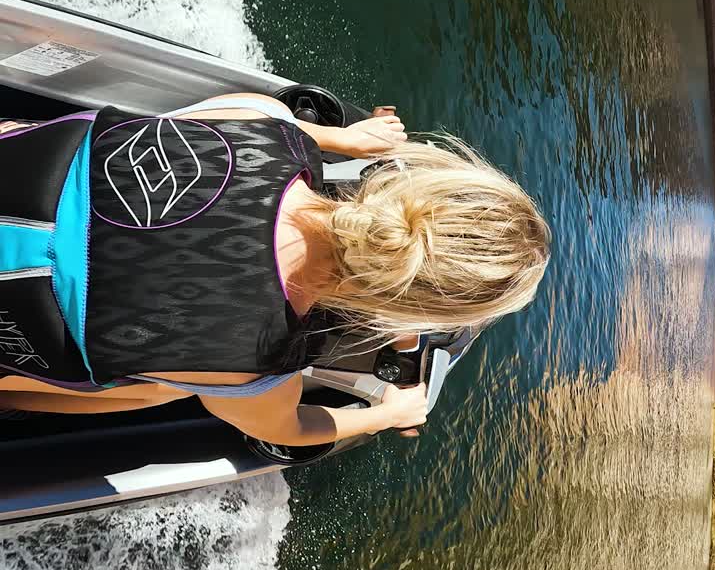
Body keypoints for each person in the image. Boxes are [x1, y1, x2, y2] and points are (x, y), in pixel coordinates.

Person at [0, 93, 550, 444]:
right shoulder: (260, 363)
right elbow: (292, 428)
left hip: (20, 178)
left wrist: (339, 139)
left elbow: (172, 129)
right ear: (414, 306)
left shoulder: (268, 121)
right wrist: (385, 413)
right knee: (168, 385)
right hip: (24, 310)